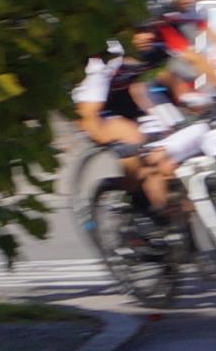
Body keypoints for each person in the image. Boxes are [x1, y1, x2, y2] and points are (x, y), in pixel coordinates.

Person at [73, 15, 184, 220]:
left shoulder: (153, 52)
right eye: (139, 31)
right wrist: (125, 141)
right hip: (95, 111)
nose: (147, 36)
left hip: (124, 108)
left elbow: (142, 87)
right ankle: (133, 200)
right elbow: (88, 113)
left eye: (150, 30)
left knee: (162, 157)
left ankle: (164, 217)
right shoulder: (105, 60)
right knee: (136, 143)